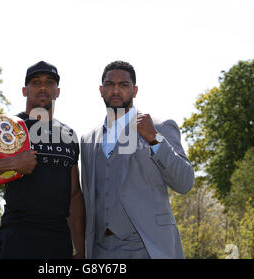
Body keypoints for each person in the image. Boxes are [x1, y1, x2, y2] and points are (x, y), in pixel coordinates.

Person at [0, 61, 85, 259]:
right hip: (17, 240)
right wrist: (12, 163)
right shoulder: (6, 128)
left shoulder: (68, 135)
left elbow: (74, 195)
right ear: (25, 90)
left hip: (58, 242)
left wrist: (80, 248)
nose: (43, 87)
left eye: (49, 82)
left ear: (57, 91)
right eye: (36, 82)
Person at [80, 60, 194, 259]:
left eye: (123, 85)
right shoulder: (88, 139)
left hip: (147, 246)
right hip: (100, 250)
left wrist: (154, 139)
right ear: (100, 89)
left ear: (135, 90)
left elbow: (184, 182)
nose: (116, 90)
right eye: (109, 84)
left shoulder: (161, 127)